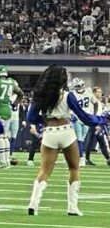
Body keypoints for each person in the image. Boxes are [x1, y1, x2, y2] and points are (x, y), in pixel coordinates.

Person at [25, 66, 107, 216]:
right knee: (74, 168)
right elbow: (84, 117)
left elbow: (30, 117)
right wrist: (101, 120)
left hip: (49, 133)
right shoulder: (68, 95)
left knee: (44, 171)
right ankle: (72, 207)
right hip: (66, 131)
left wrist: (44, 121)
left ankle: (33, 204)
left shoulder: (40, 96)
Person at [0, 65, 21, 168]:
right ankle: (6, 161)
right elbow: (21, 93)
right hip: (8, 110)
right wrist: (15, 104)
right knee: (5, 136)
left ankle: (2, 162)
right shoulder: (11, 82)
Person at [83, 87, 110, 166]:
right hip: (94, 123)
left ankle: (108, 158)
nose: (100, 93)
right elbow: (92, 114)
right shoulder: (92, 102)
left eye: (100, 92)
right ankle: (87, 159)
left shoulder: (98, 102)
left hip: (99, 123)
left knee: (102, 142)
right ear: (94, 93)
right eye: (98, 92)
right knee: (89, 141)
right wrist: (95, 124)